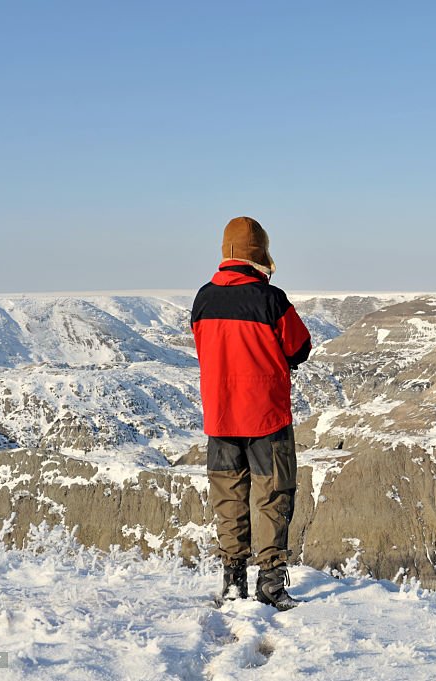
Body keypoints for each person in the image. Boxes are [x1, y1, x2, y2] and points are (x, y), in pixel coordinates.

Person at [190, 216, 312, 610]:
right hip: (266, 419)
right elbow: (299, 348)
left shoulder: (203, 299)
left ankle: (233, 579)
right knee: (272, 496)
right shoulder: (271, 300)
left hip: (221, 418)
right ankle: (271, 583)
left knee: (229, 498)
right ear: (259, 255)